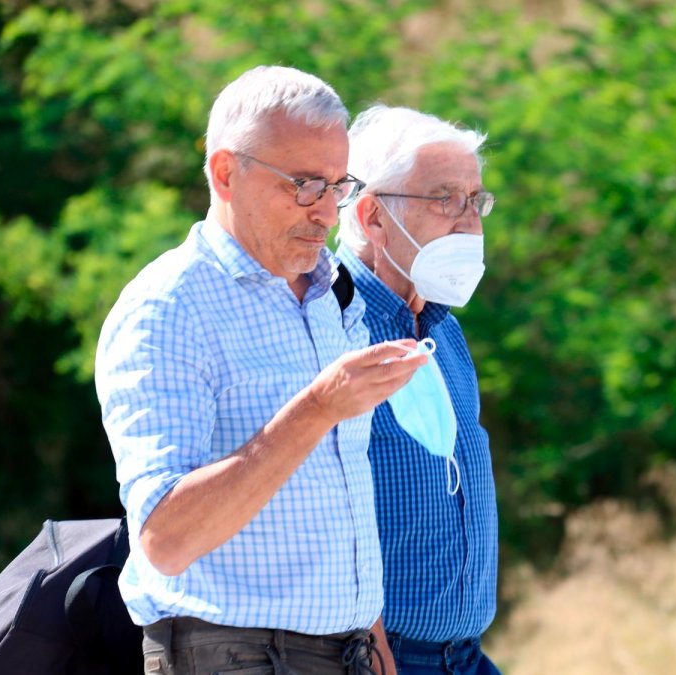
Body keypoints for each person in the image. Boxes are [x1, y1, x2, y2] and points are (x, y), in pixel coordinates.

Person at [94, 66, 424, 675]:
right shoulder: (166, 308)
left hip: (350, 652)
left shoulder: (329, 296)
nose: (326, 212)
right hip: (231, 655)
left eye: (337, 185)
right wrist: (316, 409)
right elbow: (165, 540)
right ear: (225, 173)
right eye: (303, 185)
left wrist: (374, 648)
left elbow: (338, 504)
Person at [336, 105, 501, 675]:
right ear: (373, 216)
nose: (470, 221)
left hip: (466, 657)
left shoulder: (444, 328)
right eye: (444, 198)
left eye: (476, 200)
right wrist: (374, 655)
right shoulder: (328, 329)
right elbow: (317, 514)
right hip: (382, 660)